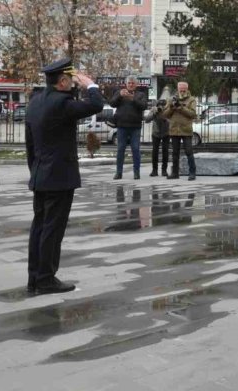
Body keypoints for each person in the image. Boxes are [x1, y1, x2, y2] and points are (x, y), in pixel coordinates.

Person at [24, 58, 103, 294]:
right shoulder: (63, 102)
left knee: (39, 227)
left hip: (40, 175)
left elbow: (30, 145)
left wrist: (35, 170)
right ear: (63, 81)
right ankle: (46, 279)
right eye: (71, 80)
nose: (73, 84)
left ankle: (34, 278)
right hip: (59, 177)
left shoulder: (35, 102)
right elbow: (96, 105)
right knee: (52, 229)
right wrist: (90, 85)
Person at [109, 76, 150, 180]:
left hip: (135, 127)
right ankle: (119, 173)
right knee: (120, 150)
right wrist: (119, 96)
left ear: (136, 85)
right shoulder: (120, 92)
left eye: (133, 83)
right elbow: (112, 104)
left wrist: (133, 99)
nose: (131, 85)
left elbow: (144, 106)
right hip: (122, 126)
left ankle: (136, 172)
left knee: (135, 149)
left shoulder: (140, 94)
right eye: (129, 83)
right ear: (126, 84)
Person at [163, 81, 197, 181]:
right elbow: (165, 115)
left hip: (186, 130)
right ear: (177, 89)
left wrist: (181, 107)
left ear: (187, 89)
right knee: (175, 153)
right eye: (180, 89)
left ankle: (192, 172)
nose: (182, 91)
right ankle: (175, 173)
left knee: (189, 151)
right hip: (174, 130)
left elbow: (193, 114)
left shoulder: (191, 100)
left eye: (184, 89)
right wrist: (172, 108)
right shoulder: (171, 99)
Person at [143, 99, 170, 177]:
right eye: (159, 105)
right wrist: (154, 114)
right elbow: (147, 120)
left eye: (163, 105)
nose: (161, 107)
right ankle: (154, 170)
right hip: (156, 133)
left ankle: (164, 170)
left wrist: (164, 117)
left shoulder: (168, 110)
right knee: (155, 152)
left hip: (166, 133)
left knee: (165, 151)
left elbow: (171, 121)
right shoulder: (154, 109)